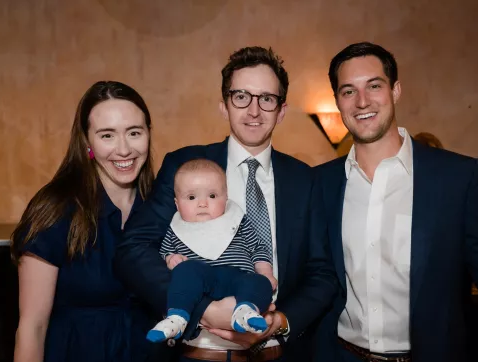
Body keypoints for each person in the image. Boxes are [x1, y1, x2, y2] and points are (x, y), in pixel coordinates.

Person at [312, 42, 478, 362]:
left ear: (395, 90)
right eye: (348, 91)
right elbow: (311, 275)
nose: (362, 101)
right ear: (338, 101)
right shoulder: (320, 183)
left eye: (374, 85)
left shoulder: (457, 178)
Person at [114, 46, 337, 362]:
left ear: (281, 110)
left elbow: (321, 273)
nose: (254, 110)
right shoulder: (185, 165)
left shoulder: (305, 180)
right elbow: (133, 249)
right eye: (241, 96)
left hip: (275, 354)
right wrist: (203, 308)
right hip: (198, 353)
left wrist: (281, 321)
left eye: (267, 99)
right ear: (224, 105)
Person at [11, 81, 160, 362]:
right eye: (107, 135)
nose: (124, 149)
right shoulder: (54, 208)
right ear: (87, 142)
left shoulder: (163, 203)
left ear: (148, 135)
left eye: (134, 132)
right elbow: (33, 327)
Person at [146, 158, 276, 343]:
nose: (202, 204)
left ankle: (246, 311)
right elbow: (165, 252)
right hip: (202, 283)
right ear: (176, 204)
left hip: (238, 278)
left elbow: (258, 248)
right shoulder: (176, 229)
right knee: (185, 272)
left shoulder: (238, 221)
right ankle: (177, 317)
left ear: (226, 197)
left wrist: (265, 271)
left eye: (212, 196)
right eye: (192, 197)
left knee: (260, 283)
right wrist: (171, 258)